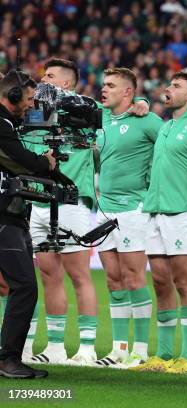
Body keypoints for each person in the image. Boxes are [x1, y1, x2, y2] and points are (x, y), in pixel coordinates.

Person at [134, 71, 187, 374]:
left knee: (184, 282)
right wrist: (139, 102)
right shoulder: (165, 126)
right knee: (161, 283)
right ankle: (163, 355)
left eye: (176, 86)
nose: (168, 88)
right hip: (155, 212)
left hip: (183, 213)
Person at [23, 58, 98, 366]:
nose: (43, 80)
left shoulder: (84, 111)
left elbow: (102, 111)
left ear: (67, 83)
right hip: (37, 203)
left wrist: (143, 103)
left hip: (71, 202)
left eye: (50, 76)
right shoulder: (34, 114)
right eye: (43, 75)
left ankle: (88, 349)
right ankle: (54, 347)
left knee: (78, 274)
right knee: (48, 275)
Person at [94, 68, 162, 368]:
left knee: (134, 278)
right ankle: (119, 349)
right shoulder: (100, 118)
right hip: (104, 208)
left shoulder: (146, 120)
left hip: (134, 207)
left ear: (127, 92)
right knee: (113, 279)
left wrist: (144, 101)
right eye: (103, 84)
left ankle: (141, 349)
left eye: (110, 85)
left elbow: (172, 146)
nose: (103, 89)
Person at [0, 70, 55, 378]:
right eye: (30, 98)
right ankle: (8, 359)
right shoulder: (1, 124)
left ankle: (8, 357)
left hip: (10, 214)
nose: (33, 105)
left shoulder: (8, 122)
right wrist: (46, 162)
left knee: (20, 286)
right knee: (24, 286)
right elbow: (20, 158)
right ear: (13, 96)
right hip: (3, 216)